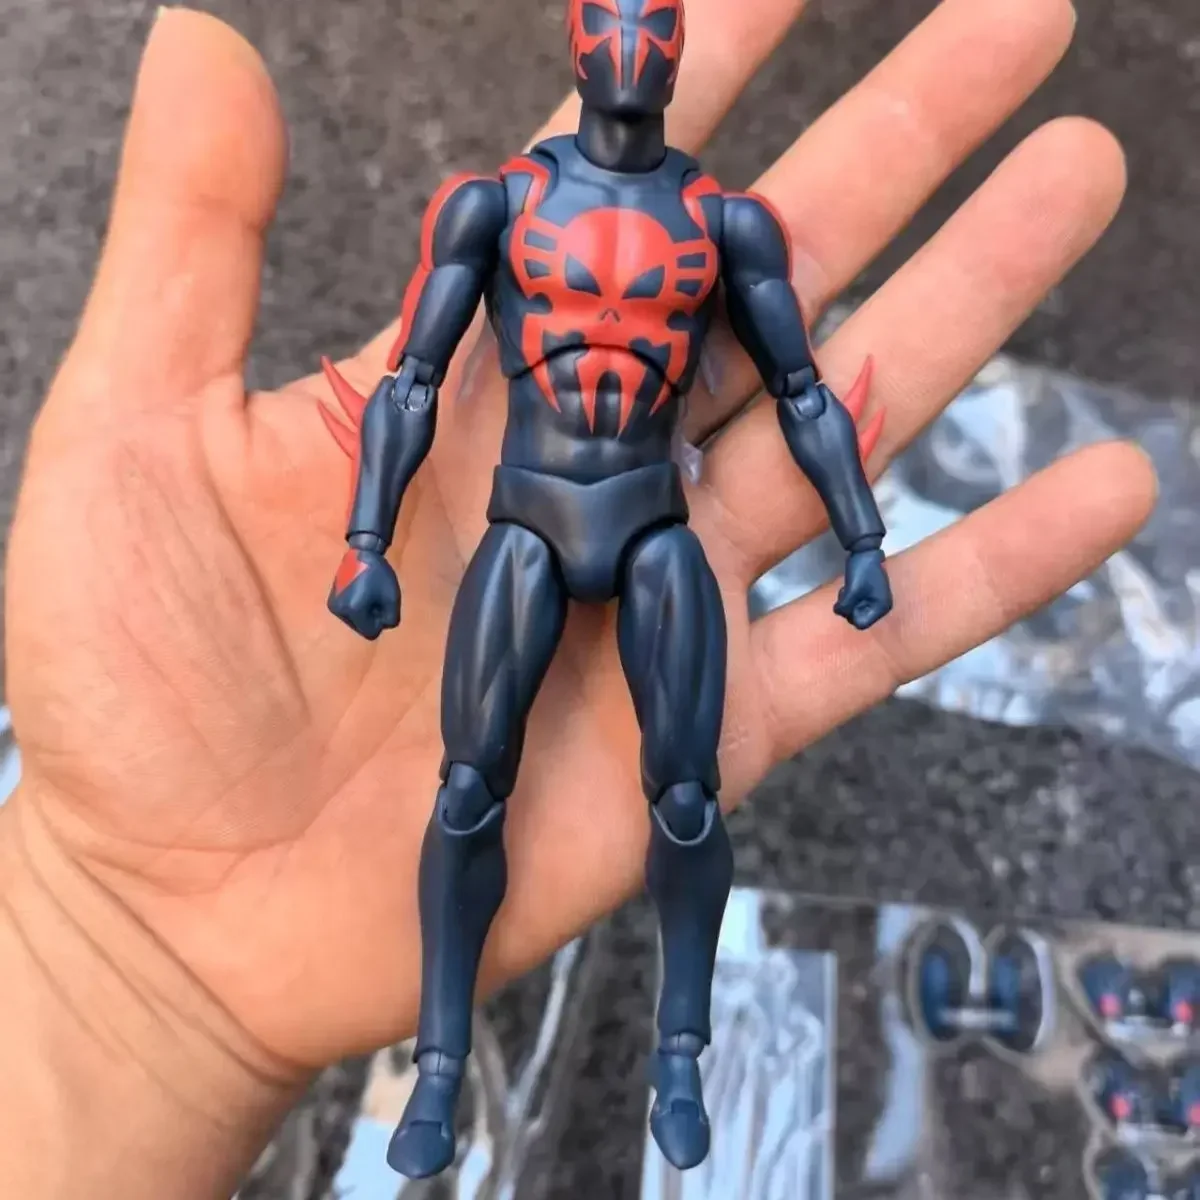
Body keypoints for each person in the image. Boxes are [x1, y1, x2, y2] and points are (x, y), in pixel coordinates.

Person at [0, 2, 1154, 1197]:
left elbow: (804, 391)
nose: (631, 41)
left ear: (675, 43)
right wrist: (366, 540)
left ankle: (682, 1058)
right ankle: (439, 1060)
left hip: (656, 522)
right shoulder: (498, 206)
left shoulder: (723, 224)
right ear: (575, 33)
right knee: (467, 788)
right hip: (528, 518)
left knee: (688, 798)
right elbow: (412, 378)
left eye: (654, 21)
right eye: (609, 17)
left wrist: (864, 540)